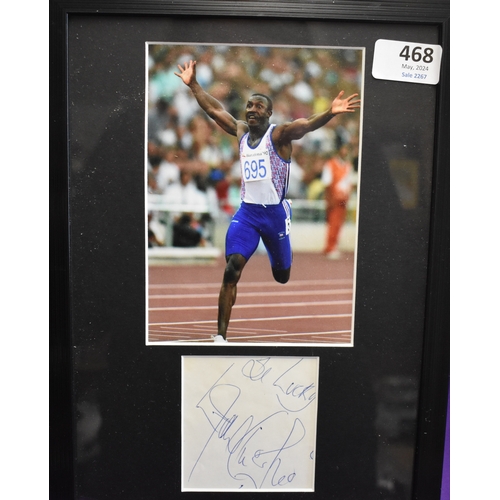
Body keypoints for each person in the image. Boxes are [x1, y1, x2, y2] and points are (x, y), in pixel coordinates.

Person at [175, 59, 361, 342]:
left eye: (258, 106)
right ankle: (220, 337)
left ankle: (282, 254)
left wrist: (330, 113)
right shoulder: (239, 132)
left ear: (269, 113)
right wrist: (194, 85)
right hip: (248, 213)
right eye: (249, 105)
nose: (251, 109)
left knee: (282, 276)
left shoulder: (279, 135)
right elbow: (214, 110)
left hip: (274, 216)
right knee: (231, 268)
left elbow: (306, 125)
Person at [321, 143, 354, 259]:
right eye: (343, 149)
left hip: (343, 198)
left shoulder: (348, 165)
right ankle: (330, 247)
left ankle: (333, 246)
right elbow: (327, 183)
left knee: (339, 224)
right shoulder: (331, 164)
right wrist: (329, 199)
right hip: (334, 198)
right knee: (333, 223)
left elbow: (349, 182)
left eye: (347, 150)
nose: (345, 152)